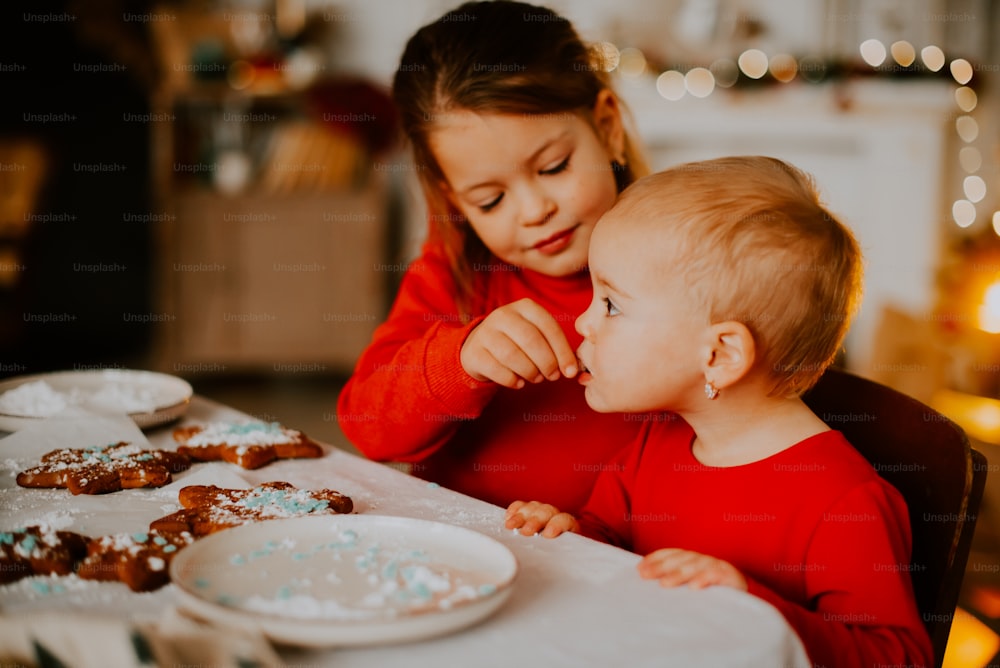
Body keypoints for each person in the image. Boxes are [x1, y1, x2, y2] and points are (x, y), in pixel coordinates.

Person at [505, 156, 934, 668]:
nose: (582, 322)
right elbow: (609, 537)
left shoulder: (844, 501)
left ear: (720, 355)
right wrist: (567, 534)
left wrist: (751, 605)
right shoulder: (657, 440)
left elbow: (898, 658)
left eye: (612, 305)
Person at [336, 0, 651, 512]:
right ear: (455, 197)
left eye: (553, 167)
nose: (533, 210)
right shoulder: (454, 275)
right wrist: (459, 361)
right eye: (490, 199)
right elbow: (368, 428)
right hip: (469, 555)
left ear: (607, 128)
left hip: (616, 567)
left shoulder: (680, 259)